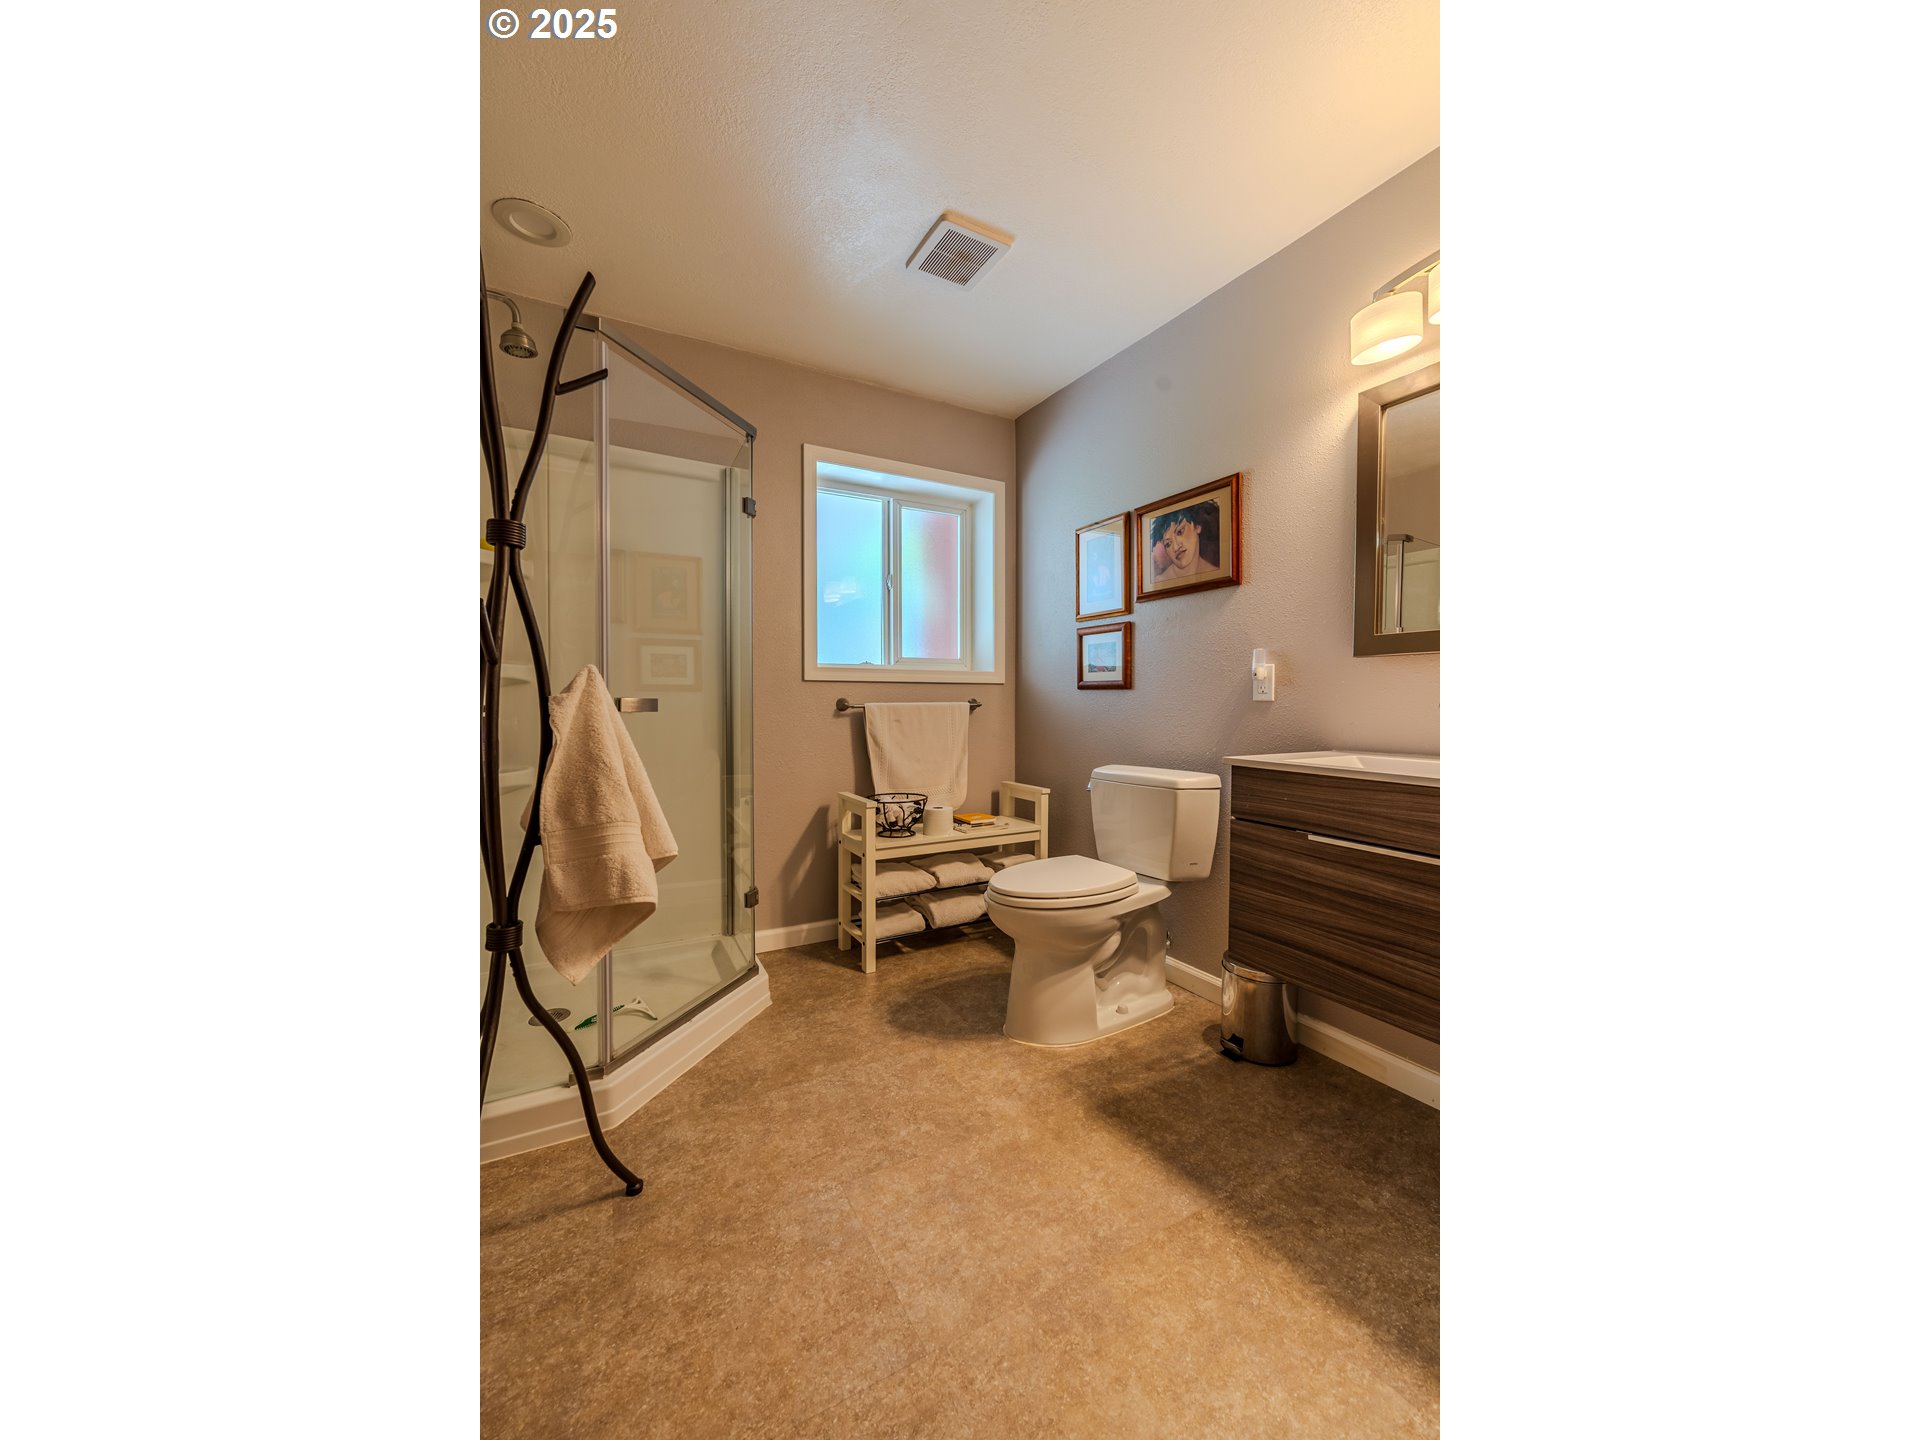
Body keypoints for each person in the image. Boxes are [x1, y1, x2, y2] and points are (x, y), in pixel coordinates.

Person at [1149, 502, 1220, 582]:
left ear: (1197, 526)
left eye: (1180, 532)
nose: (1175, 547)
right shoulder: (1161, 581)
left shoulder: (1217, 573)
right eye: (1168, 544)